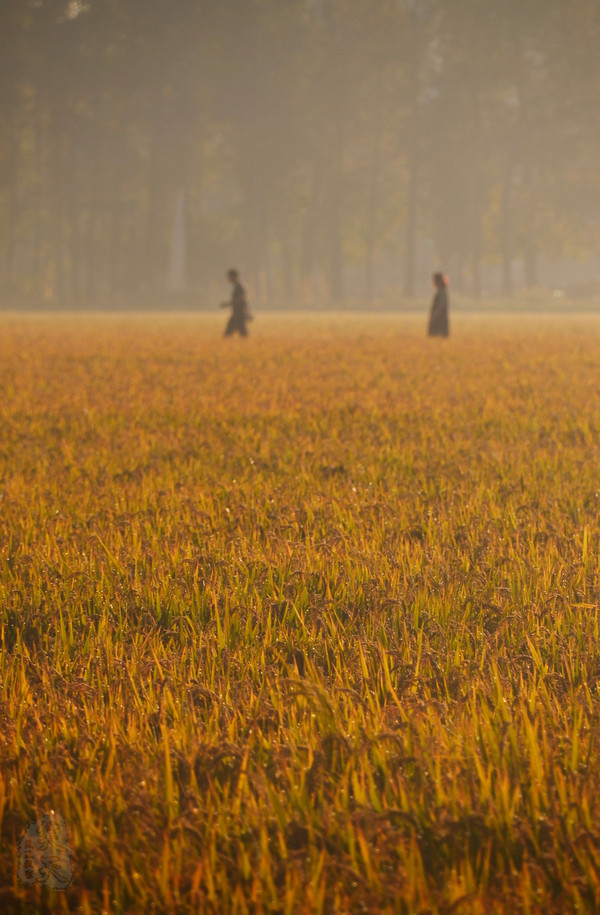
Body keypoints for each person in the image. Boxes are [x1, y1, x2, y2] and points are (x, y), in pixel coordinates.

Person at [220, 269, 251, 337]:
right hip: (238, 313)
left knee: (229, 333)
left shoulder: (240, 286)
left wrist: (228, 303)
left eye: (229, 277)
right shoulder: (238, 285)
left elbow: (242, 298)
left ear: (234, 276)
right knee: (242, 332)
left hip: (239, 313)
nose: (228, 279)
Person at [428, 272, 450, 338]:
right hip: (440, 320)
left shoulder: (441, 292)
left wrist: (434, 315)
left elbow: (440, 306)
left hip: (439, 321)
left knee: (437, 337)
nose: (433, 283)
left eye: (434, 281)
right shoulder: (441, 291)